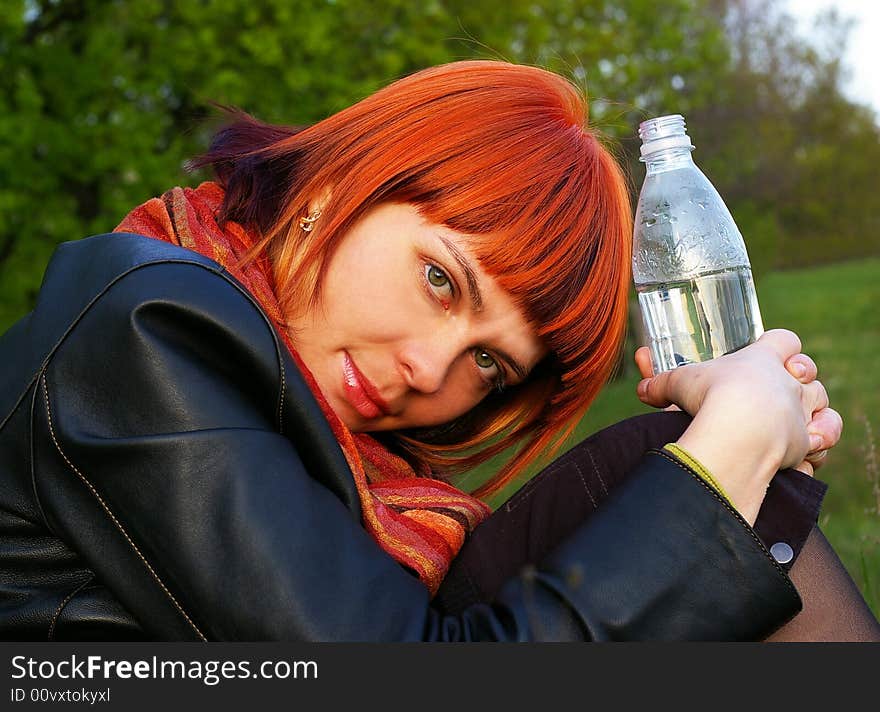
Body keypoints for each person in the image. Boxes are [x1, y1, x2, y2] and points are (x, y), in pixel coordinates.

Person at [0, 60, 877, 641]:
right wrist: (723, 465)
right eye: (441, 280)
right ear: (341, 185)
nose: (430, 371)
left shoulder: (350, 468)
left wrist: (723, 446)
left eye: (491, 364)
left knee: (669, 468)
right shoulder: (150, 320)